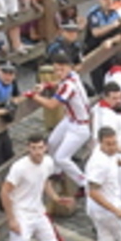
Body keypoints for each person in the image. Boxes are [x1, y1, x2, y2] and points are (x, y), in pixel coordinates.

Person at [30, 52, 91, 191]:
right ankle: (56, 173)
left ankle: (84, 183)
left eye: (61, 69)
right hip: (70, 120)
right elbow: (60, 82)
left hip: (80, 127)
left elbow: (52, 104)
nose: (58, 73)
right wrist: (47, 85)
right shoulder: (72, 76)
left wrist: (34, 96)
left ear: (69, 67)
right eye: (56, 69)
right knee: (51, 144)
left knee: (61, 157)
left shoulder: (69, 85)